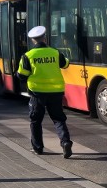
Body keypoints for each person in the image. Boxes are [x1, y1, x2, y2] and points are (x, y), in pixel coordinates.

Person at [16, 26, 73, 158]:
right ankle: (65, 142)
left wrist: (19, 74)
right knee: (59, 119)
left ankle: (38, 148)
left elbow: (22, 75)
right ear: (45, 38)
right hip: (56, 91)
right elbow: (65, 64)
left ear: (32, 40)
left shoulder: (28, 56)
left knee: (35, 121)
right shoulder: (54, 52)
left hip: (37, 93)